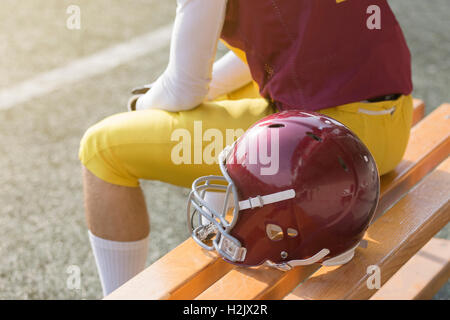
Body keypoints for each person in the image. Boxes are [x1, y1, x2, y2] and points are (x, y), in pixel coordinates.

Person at [79, 0, 413, 296]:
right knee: (209, 105)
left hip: (325, 145)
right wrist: (209, 97)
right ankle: (218, 240)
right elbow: (277, 47)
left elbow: (184, 88)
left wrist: (139, 106)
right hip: (390, 128)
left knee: (101, 149)